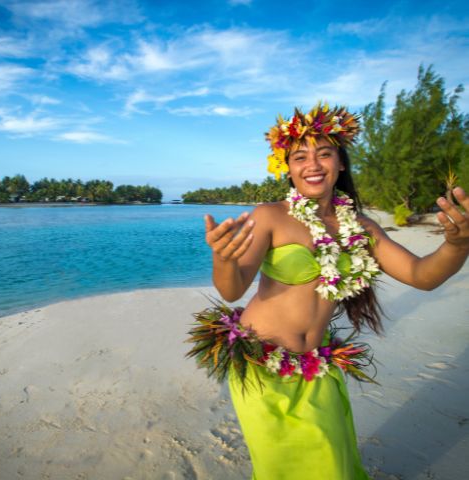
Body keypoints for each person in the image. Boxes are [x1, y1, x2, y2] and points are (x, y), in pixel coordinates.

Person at [189, 103, 469, 479]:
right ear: (287, 168)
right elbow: (233, 288)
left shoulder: (361, 227)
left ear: (340, 163)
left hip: (317, 367)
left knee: (334, 465)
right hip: (263, 368)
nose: (313, 164)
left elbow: (421, 276)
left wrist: (456, 246)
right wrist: (223, 258)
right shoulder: (270, 216)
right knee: (283, 469)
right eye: (299, 156)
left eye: (324, 153)